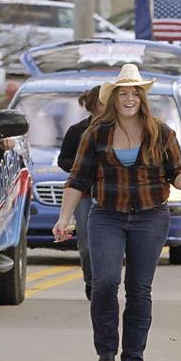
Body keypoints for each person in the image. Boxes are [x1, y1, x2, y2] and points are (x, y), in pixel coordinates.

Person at [52, 64, 181, 361]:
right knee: (103, 283)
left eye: (135, 93)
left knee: (139, 289)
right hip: (106, 215)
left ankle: (133, 357)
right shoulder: (96, 133)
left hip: (150, 216)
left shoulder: (161, 132)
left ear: (142, 98)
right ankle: (106, 349)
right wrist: (64, 218)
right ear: (113, 98)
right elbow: (78, 179)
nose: (129, 98)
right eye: (123, 93)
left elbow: (178, 170)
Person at [58, 85, 104, 301]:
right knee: (86, 245)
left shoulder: (121, 129)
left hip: (111, 194)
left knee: (109, 244)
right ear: (93, 104)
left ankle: (105, 283)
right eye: (103, 101)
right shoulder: (77, 131)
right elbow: (63, 160)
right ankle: (91, 281)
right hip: (85, 195)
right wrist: (82, 165)